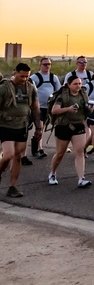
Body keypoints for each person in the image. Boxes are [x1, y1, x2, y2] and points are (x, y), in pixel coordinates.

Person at [0, 63, 41, 197]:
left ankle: (12, 186)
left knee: (17, 157)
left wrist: (38, 127)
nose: (24, 79)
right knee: (8, 155)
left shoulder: (30, 88)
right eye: (21, 76)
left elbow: (35, 108)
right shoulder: (4, 88)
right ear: (15, 72)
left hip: (22, 126)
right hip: (6, 125)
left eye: (27, 76)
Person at [47, 74, 92, 188]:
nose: (78, 86)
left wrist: (90, 109)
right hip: (64, 126)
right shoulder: (63, 96)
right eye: (75, 84)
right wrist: (68, 109)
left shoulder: (83, 94)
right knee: (60, 153)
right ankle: (52, 173)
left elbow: (85, 110)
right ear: (68, 84)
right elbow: (54, 110)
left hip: (78, 125)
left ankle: (81, 178)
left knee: (80, 152)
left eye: (79, 83)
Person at [29, 57, 59, 160]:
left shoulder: (53, 77)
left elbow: (58, 91)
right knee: (40, 127)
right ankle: (36, 149)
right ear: (40, 65)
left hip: (48, 107)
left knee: (42, 128)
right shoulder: (35, 77)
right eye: (45, 64)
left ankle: (39, 148)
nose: (47, 66)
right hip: (37, 107)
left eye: (49, 64)